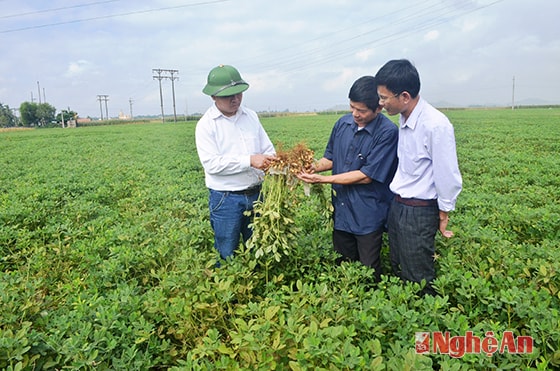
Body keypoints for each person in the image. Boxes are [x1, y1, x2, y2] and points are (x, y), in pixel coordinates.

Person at [375, 59, 462, 295]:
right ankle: (405, 318)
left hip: (419, 210)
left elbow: (447, 172)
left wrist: (444, 211)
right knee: (398, 264)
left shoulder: (435, 125)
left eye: (384, 98)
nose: (380, 104)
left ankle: (425, 325)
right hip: (399, 205)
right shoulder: (404, 117)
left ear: (404, 96)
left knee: (418, 274)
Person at [297, 76, 398, 282]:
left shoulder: (387, 132)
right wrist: (313, 167)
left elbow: (366, 176)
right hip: (341, 211)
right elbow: (330, 158)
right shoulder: (343, 123)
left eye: (361, 111)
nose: (355, 114)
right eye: (352, 107)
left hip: (367, 214)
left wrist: (322, 180)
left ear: (378, 108)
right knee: (343, 266)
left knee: (369, 271)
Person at [195, 64, 276, 263]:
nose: (235, 99)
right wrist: (249, 160)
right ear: (213, 96)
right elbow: (212, 164)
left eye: (239, 94)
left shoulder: (251, 116)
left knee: (257, 245)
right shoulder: (206, 125)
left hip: (257, 194)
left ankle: (254, 286)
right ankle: (228, 288)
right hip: (226, 198)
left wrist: (273, 161)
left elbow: (267, 149)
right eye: (228, 96)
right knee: (226, 250)